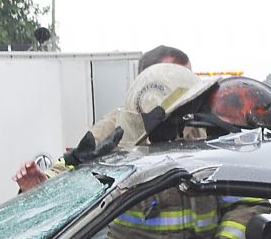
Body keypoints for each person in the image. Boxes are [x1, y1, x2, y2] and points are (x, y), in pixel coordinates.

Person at [83, 63, 271, 239]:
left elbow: (248, 199)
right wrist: (40, 180)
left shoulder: (213, 135)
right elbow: (64, 177)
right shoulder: (119, 128)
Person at [12, 44, 191, 192]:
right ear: (148, 84)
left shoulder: (197, 125)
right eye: (178, 79)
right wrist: (43, 181)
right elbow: (75, 159)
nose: (189, 89)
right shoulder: (117, 124)